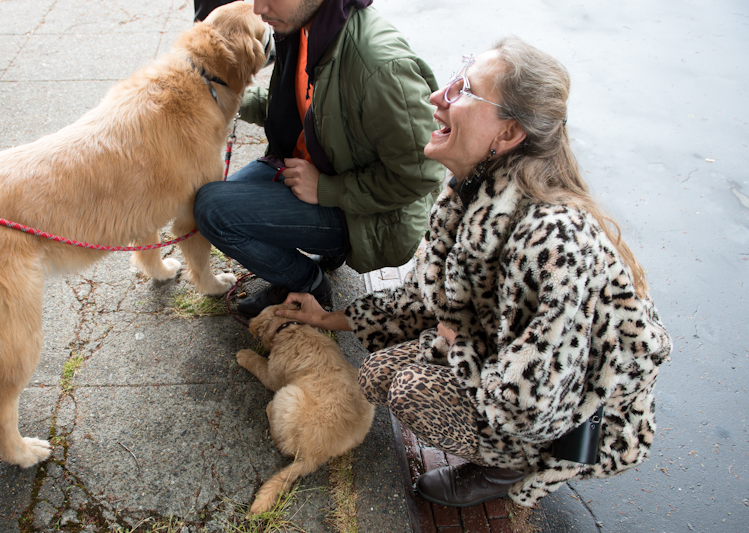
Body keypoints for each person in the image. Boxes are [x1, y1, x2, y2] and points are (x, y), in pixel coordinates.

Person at [276, 37, 672, 508]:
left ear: (508, 134)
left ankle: (511, 467)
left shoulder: (551, 241)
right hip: (501, 361)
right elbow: (420, 300)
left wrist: (456, 341)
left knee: (409, 392)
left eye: (463, 90)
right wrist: (325, 318)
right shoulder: (471, 190)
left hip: (568, 418)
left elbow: (534, 406)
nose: (437, 96)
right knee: (376, 375)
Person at [193, 0, 444, 317]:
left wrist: (327, 189)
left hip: (366, 217)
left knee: (213, 210)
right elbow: (300, 107)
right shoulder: (301, 27)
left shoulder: (380, 65)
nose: (258, 8)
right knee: (219, 199)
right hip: (305, 168)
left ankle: (307, 282)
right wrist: (224, 96)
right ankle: (324, 251)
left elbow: (420, 175)